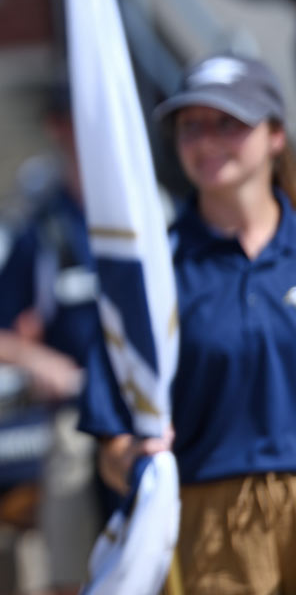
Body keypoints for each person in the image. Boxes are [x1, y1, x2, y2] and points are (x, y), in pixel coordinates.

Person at [81, 54, 296, 595]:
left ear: (275, 135)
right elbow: (110, 443)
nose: (206, 141)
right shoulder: (150, 275)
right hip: (210, 525)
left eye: (229, 122)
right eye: (190, 126)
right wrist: (137, 460)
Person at [0, 82, 102, 595]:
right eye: (74, 120)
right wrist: (37, 359)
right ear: (56, 128)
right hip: (78, 412)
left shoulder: (153, 211)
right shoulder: (44, 227)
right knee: (69, 501)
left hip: (158, 407)